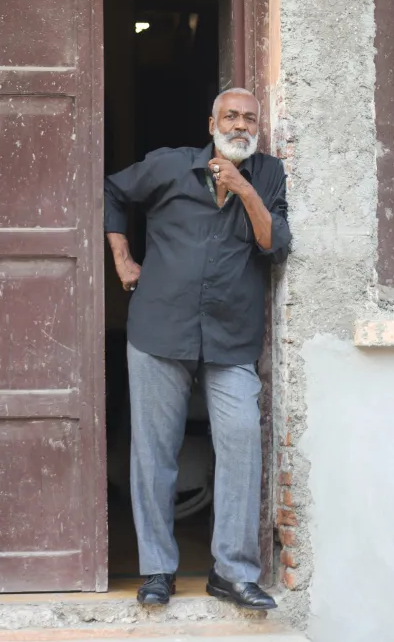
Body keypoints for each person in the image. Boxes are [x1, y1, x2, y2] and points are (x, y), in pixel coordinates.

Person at [104, 88, 290, 610]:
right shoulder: (169, 167)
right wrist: (122, 258)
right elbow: (113, 192)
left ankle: (231, 572)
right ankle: (158, 570)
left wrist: (245, 190)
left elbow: (274, 244)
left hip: (231, 337)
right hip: (160, 330)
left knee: (239, 445)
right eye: (230, 116)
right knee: (154, 454)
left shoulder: (268, 174)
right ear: (211, 121)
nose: (239, 125)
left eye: (249, 119)